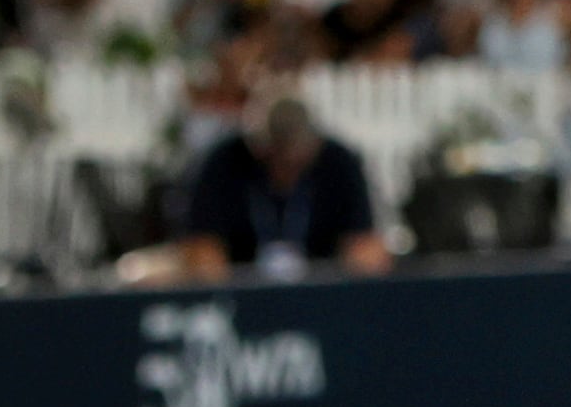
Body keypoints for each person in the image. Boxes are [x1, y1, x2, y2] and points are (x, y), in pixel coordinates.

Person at [131, 95, 391, 280]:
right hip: (239, 282)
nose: (287, 170)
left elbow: (364, 246)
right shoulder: (223, 162)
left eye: (297, 161)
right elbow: (202, 249)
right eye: (279, 158)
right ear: (260, 149)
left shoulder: (338, 162)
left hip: (320, 288)